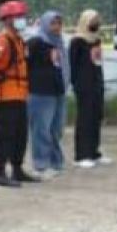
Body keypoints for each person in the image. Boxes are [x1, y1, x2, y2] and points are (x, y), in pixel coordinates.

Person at [0, 1, 39, 187]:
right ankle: (0, 172)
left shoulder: (19, 40)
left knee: (20, 134)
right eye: (18, 16)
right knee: (5, 134)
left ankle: (17, 168)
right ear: (8, 20)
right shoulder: (3, 41)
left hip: (20, 94)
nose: (22, 20)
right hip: (6, 95)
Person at [26, 10, 69, 180]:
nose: (56, 27)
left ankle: (56, 162)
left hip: (58, 91)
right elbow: (26, 65)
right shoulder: (35, 43)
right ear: (44, 24)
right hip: (40, 92)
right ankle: (41, 164)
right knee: (41, 129)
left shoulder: (59, 43)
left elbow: (62, 66)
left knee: (56, 129)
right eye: (52, 23)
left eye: (59, 23)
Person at [70, 10, 111, 168]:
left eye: (97, 20)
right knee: (85, 119)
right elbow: (73, 65)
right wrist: (76, 84)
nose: (96, 23)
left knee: (96, 117)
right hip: (83, 85)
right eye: (93, 20)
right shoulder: (77, 41)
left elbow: (98, 62)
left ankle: (94, 152)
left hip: (96, 83)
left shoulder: (96, 40)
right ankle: (81, 155)